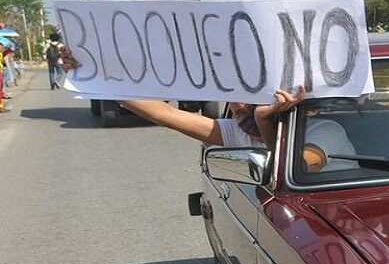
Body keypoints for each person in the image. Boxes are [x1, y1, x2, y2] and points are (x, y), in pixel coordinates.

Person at [60, 49, 357, 172]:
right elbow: (162, 113)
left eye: (249, 96)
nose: (238, 105)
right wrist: (91, 69)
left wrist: (264, 120)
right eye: (233, 97)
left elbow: (296, 168)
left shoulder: (326, 131)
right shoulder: (234, 130)